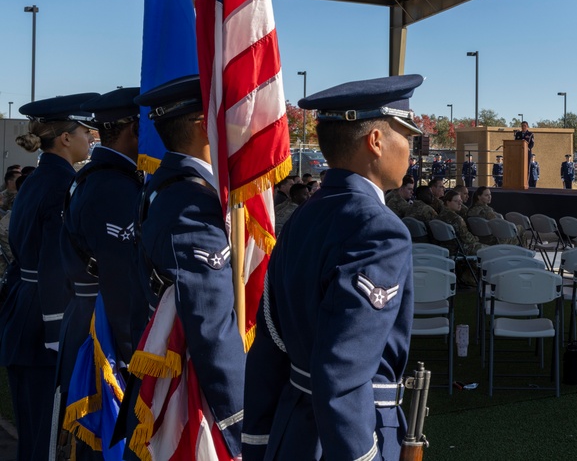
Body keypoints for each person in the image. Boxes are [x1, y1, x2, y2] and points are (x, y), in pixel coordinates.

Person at [243, 74, 424, 460]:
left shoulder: (304, 215)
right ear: (375, 141)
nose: (410, 150)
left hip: (291, 430)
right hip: (346, 438)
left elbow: (269, 348)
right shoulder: (380, 229)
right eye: (405, 135)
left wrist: (258, 441)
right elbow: (343, 373)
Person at [128, 76, 244, 456]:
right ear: (201, 124)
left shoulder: (176, 185)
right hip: (200, 391)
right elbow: (210, 324)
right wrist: (241, 415)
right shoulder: (189, 203)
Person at [0, 92, 97, 461]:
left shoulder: (41, 178)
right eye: (85, 131)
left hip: (25, 311)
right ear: (65, 137)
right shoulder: (59, 185)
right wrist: (59, 334)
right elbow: (54, 265)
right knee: (45, 436)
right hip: (44, 322)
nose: (90, 138)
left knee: (34, 433)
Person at [54, 88, 142, 460]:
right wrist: (137, 352)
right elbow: (122, 277)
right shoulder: (113, 187)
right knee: (109, 441)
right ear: (135, 131)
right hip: (105, 330)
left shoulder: (100, 177)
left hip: (91, 316)